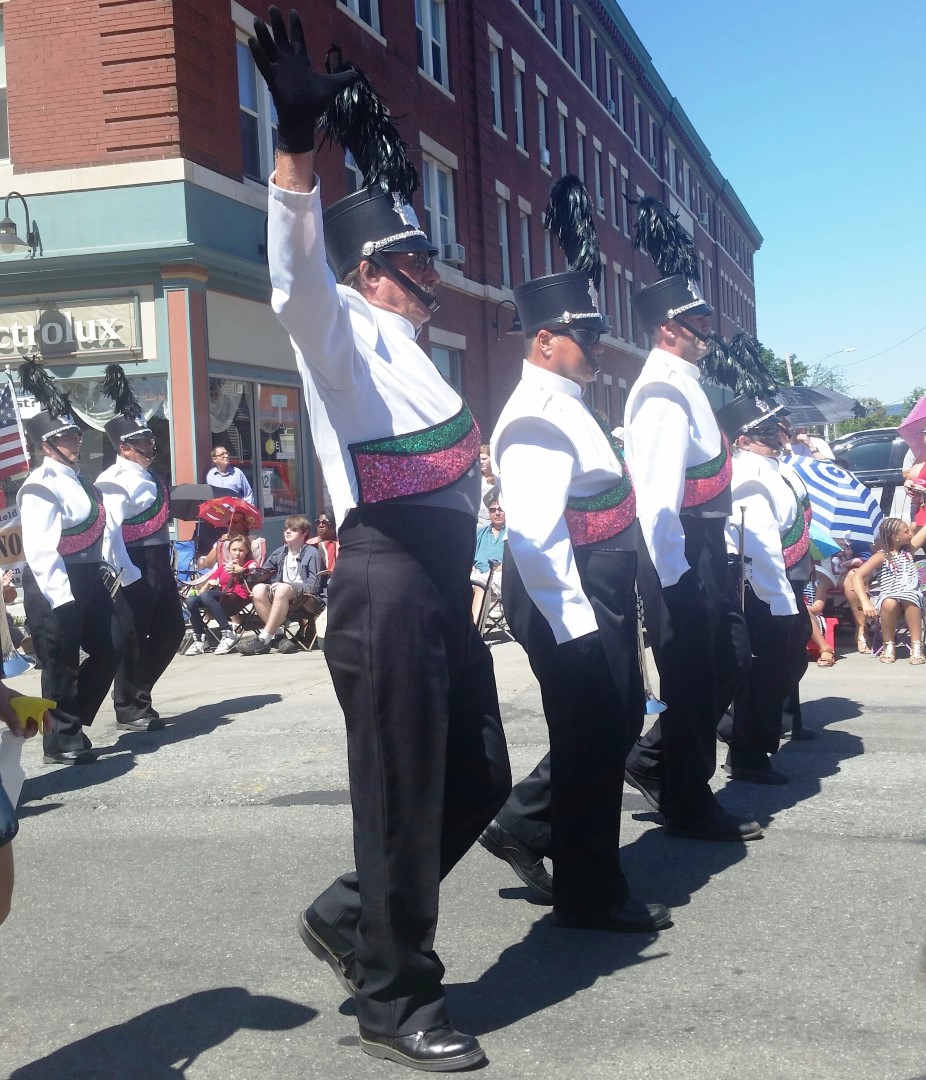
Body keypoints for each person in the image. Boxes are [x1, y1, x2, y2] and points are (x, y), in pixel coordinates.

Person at [250, 11, 509, 1071]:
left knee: (479, 776)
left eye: (427, 262)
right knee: (402, 793)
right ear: (367, 271)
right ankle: (393, 999)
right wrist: (295, 153)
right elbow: (291, 278)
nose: (428, 277)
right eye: (409, 265)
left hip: (436, 586)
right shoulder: (339, 330)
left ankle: (352, 913)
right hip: (384, 575)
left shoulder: (418, 352)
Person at [481, 178, 669, 933]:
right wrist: (578, 628)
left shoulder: (569, 402)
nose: (596, 348)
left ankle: (528, 827)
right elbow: (532, 534)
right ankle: (590, 893)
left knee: (616, 721)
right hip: (567, 592)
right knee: (593, 737)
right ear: (543, 341)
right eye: (583, 338)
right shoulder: (533, 415)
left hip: (596, 587)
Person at [620, 198, 756, 841]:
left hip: (702, 546)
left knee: (727, 656)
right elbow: (655, 499)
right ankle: (687, 798)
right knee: (693, 677)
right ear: (668, 330)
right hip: (678, 552)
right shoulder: (663, 390)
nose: (708, 326)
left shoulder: (688, 382)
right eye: (697, 318)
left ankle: (653, 761)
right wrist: (675, 579)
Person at [16, 359, 124, 766]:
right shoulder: (39, 487)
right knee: (59, 662)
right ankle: (59, 740)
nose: (75, 440)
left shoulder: (79, 479)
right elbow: (42, 549)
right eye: (65, 436)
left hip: (86, 576)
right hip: (54, 581)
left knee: (111, 646)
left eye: (76, 433)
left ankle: (70, 720)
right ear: (46, 445)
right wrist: (63, 599)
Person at [715, 396, 802, 785]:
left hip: (774, 576)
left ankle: (744, 737)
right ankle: (747, 750)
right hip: (758, 582)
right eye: (763, 431)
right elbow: (760, 541)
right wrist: (777, 598)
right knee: (762, 668)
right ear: (743, 439)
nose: (774, 436)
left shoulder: (775, 468)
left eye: (775, 428)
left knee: (781, 664)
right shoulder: (750, 472)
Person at [96, 366, 185, 731]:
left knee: (171, 630)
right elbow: (109, 532)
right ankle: (130, 707)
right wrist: (125, 573)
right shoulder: (112, 481)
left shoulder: (147, 475)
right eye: (143, 441)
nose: (151, 445)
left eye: (149, 439)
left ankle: (138, 693)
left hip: (158, 561)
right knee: (132, 636)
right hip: (133, 562)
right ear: (124, 447)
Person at [238, 515, 322, 654]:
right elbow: (262, 573)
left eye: (293, 529)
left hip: (307, 599)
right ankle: (279, 637)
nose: (288, 532)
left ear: (304, 533)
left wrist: (288, 585)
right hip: (282, 595)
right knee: (258, 589)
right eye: (286, 529)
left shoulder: (312, 553)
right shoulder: (280, 552)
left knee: (282, 588)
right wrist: (245, 570)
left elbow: (314, 585)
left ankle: (263, 639)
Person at [855, 517, 926, 665]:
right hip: (889, 594)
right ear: (896, 537)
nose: (911, 533)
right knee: (889, 603)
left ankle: (916, 645)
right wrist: (865, 602)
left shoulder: (909, 550)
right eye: (906, 532)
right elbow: (858, 576)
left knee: (911, 598)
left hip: (910, 594)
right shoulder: (881, 556)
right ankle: (888, 644)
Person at [183, 535, 256, 656]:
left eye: (241, 550)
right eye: (234, 550)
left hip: (237, 598)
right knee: (191, 600)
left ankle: (228, 633)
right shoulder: (223, 567)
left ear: (247, 551)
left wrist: (241, 570)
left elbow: (256, 572)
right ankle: (201, 639)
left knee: (207, 596)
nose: (237, 553)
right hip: (222, 598)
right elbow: (202, 592)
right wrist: (208, 584)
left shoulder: (250, 564)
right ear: (229, 551)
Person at [470, 502, 506, 622]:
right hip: (477, 573)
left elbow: (516, 563)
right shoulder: (479, 534)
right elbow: (469, 555)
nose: (497, 513)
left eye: (500, 509)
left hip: (501, 575)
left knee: (481, 583)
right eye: (493, 510)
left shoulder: (512, 535)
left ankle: (473, 630)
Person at [477, 444, 499, 526]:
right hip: (479, 522)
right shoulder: (476, 478)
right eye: (479, 459)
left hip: (495, 522)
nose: (481, 462)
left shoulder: (498, 478)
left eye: (484, 459)